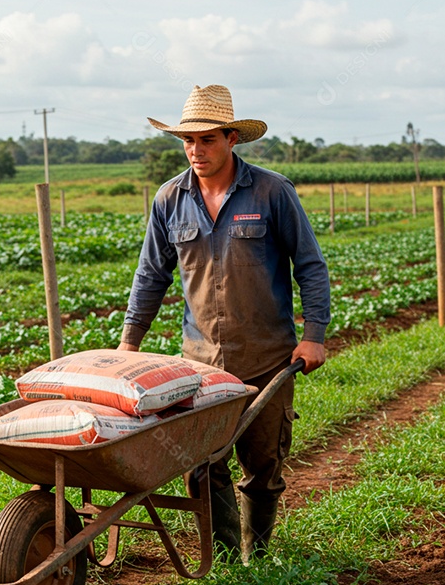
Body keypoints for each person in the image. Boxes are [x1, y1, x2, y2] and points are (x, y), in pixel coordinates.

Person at [117, 84, 331, 557]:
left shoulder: (272, 191)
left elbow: (310, 266)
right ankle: (227, 559)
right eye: (187, 141)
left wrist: (313, 336)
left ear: (232, 138)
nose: (196, 150)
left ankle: (258, 556)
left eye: (207, 139)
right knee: (201, 465)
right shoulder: (169, 199)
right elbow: (151, 275)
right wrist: (129, 343)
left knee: (263, 464)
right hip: (200, 365)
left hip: (266, 358)